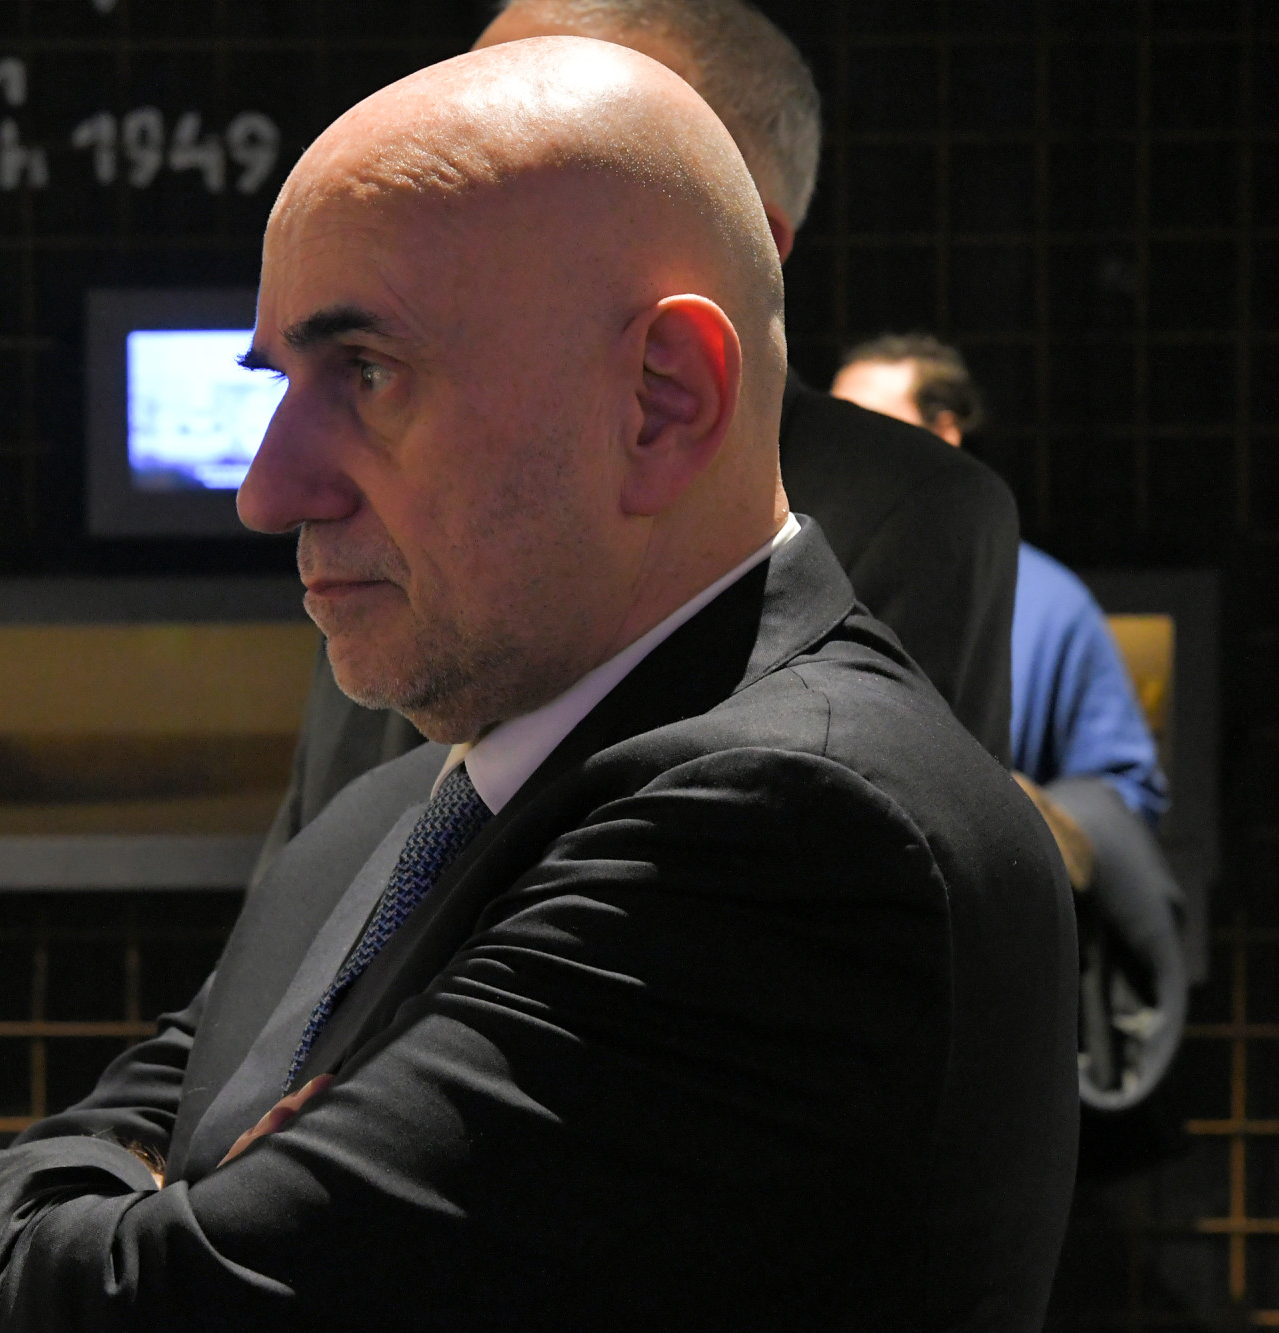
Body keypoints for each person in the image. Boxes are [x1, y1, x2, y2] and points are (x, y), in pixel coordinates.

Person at [0, 40, 1076, 1331]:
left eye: (366, 374)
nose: (267, 490)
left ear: (660, 402)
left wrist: (109, 1220)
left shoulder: (792, 830)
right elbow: (125, 1173)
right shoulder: (414, 810)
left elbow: (150, 1302)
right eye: (279, 384)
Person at [258, 0, 1023, 872]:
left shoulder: (902, 519)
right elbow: (301, 901)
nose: (270, 495)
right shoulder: (391, 524)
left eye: (534, 143)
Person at [834, 332, 1183, 1113]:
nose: (848, 449)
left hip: (994, 980)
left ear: (945, 433)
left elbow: (1125, 790)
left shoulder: (1047, 601)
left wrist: (1028, 813)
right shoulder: (807, 577)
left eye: (872, 423)